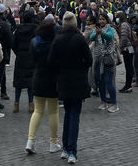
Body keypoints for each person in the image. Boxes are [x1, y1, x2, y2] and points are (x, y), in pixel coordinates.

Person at [48, 10, 92, 164]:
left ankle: (66, 148)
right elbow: (89, 60)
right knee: (74, 115)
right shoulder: (79, 39)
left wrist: (60, 70)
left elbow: (51, 61)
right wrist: (80, 67)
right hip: (78, 81)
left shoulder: (58, 39)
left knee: (67, 114)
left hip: (64, 82)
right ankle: (72, 150)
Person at [26, 17, 61, 154]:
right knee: (53, 111)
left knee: (38, 111)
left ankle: (30, 141)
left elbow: (33, 60)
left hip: (38, 77)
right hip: (52, 79)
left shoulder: (34, 42)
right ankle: (53, 142)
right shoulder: (55, 43)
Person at [89, 11, 119, 113]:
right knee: (100, 82)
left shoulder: (110, 29)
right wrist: (96, 33)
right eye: (100, 19)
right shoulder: (96, 29)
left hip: (108, 59)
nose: (101, 21)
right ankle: (103, 102)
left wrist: (102, 33)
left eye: (103, 19)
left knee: (108, 81)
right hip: (98, 58)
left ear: (107, 20)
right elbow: (91, 38)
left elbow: (110, 37)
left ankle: (114, 103)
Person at [12, 9, 36, 113]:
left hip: (21, 56)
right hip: (31, 55)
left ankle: (16, 104)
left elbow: (13, 43)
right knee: (30, 81)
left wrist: (18, 52)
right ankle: (31, 104)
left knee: (18, 81)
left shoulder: (18, 29)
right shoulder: (35, 29)